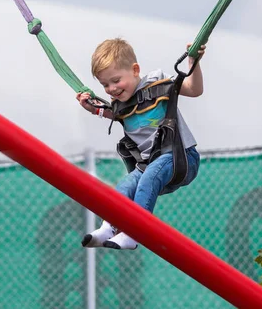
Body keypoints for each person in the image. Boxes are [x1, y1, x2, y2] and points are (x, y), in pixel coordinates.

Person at [77, 37, 206, 250]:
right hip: (150, 164)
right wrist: (92, 108)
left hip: (181, 157)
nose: (111, 89)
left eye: (116, 80)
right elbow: (113, 113)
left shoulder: (157, 83)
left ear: (135, 70)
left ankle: (135, 232)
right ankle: (109, 227)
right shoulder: (121, 104)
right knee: (123, 188)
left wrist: (194, 62)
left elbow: (194, 89)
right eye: (105, 85)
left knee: (149, 178)